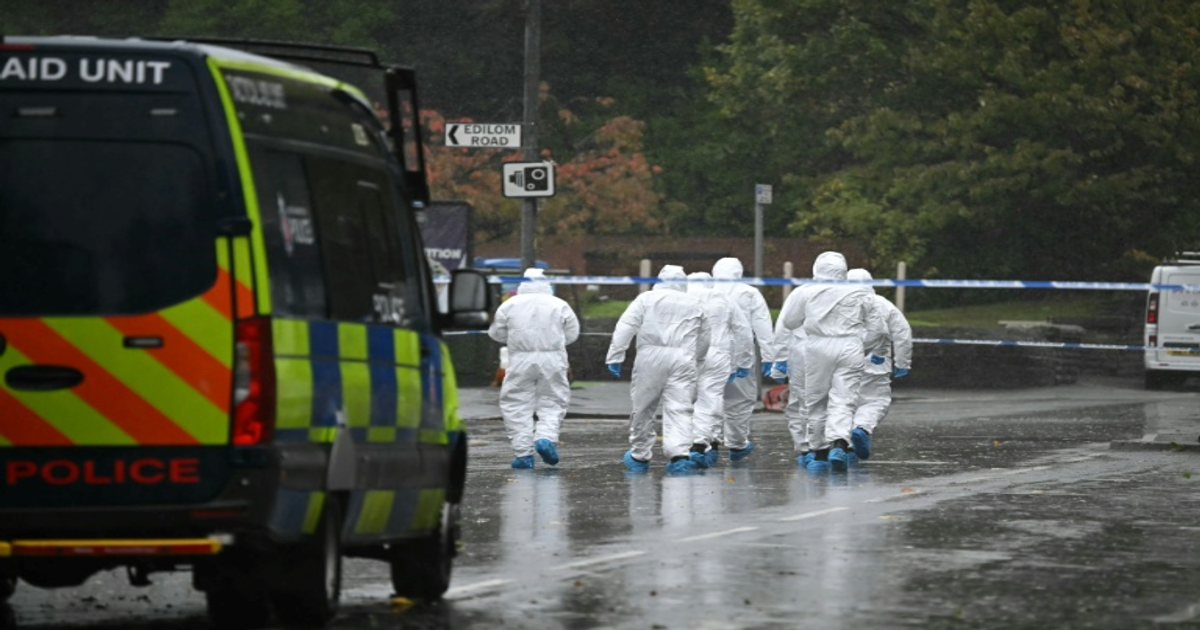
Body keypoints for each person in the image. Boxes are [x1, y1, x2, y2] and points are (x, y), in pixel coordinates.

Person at [605, 265, 711, 474]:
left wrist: (616, 355)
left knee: (643, 405)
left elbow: (626, 325)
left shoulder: (646, 299)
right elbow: (705, 337)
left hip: (650, 357)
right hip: (683, 357)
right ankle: (679, 454)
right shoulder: (696, 303)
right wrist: (697, 359)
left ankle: (639, 454)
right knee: (680, 407)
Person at [778, 252, 877, 473]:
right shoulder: (860, 293)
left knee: (816, 399)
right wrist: (863, 346)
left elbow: (790, 321)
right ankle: (839, 444)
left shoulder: (805, 292)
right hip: (850, 346)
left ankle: (819, 452)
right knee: (844, 398)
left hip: (818, 347)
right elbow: (876, 327)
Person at [488, 268, 581, 469]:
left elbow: (496, 333)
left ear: (522, 284)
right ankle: (545, 438)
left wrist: (515, 338)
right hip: (553, 359)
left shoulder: (509, 305)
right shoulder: (559, 305)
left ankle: (523, 454)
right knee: (553, 401)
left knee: (516, 404)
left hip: (520, 359)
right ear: (547, 284)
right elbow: (572, 334)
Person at [711, 257, 776, 462]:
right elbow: (763, 326)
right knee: (740, 400)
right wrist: (769, 356)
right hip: (740, 351)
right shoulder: (749, 293)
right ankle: (737, 444)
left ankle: (707, 443)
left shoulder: (704, 291)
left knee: (707, 398)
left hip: (708, 352)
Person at [846, 268, 913, 460]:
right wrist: (902, 362)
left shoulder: (836, 304)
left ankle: (844, 447)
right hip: (875, 364)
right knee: (876, 401)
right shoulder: (883, 304)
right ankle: (862, 428)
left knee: (843, 405)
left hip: (841, 362)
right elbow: (902, 333)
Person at [687, 271, 753, 466]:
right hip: (717, 354)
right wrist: (743, 362)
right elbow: (743, 331)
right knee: (711, 397)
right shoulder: (724, 299)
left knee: (685, 400)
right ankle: (703, 443)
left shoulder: (681, 299)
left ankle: (697, 442)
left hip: (686, 354)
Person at [769, 286, 810, 466]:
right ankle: (840, 444)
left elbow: (785, 325)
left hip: (802, 352)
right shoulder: (849, 293)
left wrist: (779, 361)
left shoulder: (801, 292)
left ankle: (807, 448)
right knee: (838, 402)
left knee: (800, 402)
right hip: (844, 353)